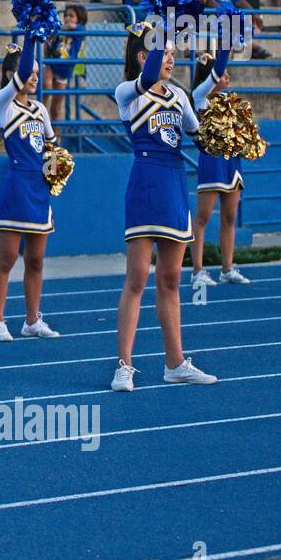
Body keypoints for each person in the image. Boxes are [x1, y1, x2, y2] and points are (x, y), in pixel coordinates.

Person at [111, 20, 215, 392]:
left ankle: (175, 362)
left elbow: (198, 138)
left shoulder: (179, 96)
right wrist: (166, 21)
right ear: (145, 55)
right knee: (137, 278)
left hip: (173, 186)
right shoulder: (128, 93)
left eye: (172, 51)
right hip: (144, 184)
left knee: (170, 279)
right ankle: (124, 365)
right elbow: (147, 75)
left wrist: (223, 136)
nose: (171, 57)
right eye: (164, 51)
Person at [0, 36, 61, 342]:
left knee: (36, 260)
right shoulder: (2, 105)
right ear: (11, 75)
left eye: (35, 71)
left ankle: (31, 320)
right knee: (7, 258)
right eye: (28, 71)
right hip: (16, 185)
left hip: (38, 188)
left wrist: (54, 173)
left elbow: (52, 148)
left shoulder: (40, 110)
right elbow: (19, 77)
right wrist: (31, 36)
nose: (34, 76)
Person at [188, 45, 251, 290]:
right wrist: (226, 45)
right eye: (221, 73)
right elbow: (214, 75)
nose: (226, 76)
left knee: (230, 216)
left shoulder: (228, 100)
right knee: (203, 217)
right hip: (212, 161)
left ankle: (227, 268)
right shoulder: (200, 97)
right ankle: (198, 271)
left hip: (232, 162)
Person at [43, 4, 86, 123]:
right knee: (46, 85)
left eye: (71, 16)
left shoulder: (80, 31)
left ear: (79, 19)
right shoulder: (59, 30)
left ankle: (56, 138)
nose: (67, 18)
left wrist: (66, 27)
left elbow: (79, 28)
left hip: (65, 70)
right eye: (66, 15)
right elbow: (48, 42)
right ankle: (40, 109)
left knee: (56, 108)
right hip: (52, 64)